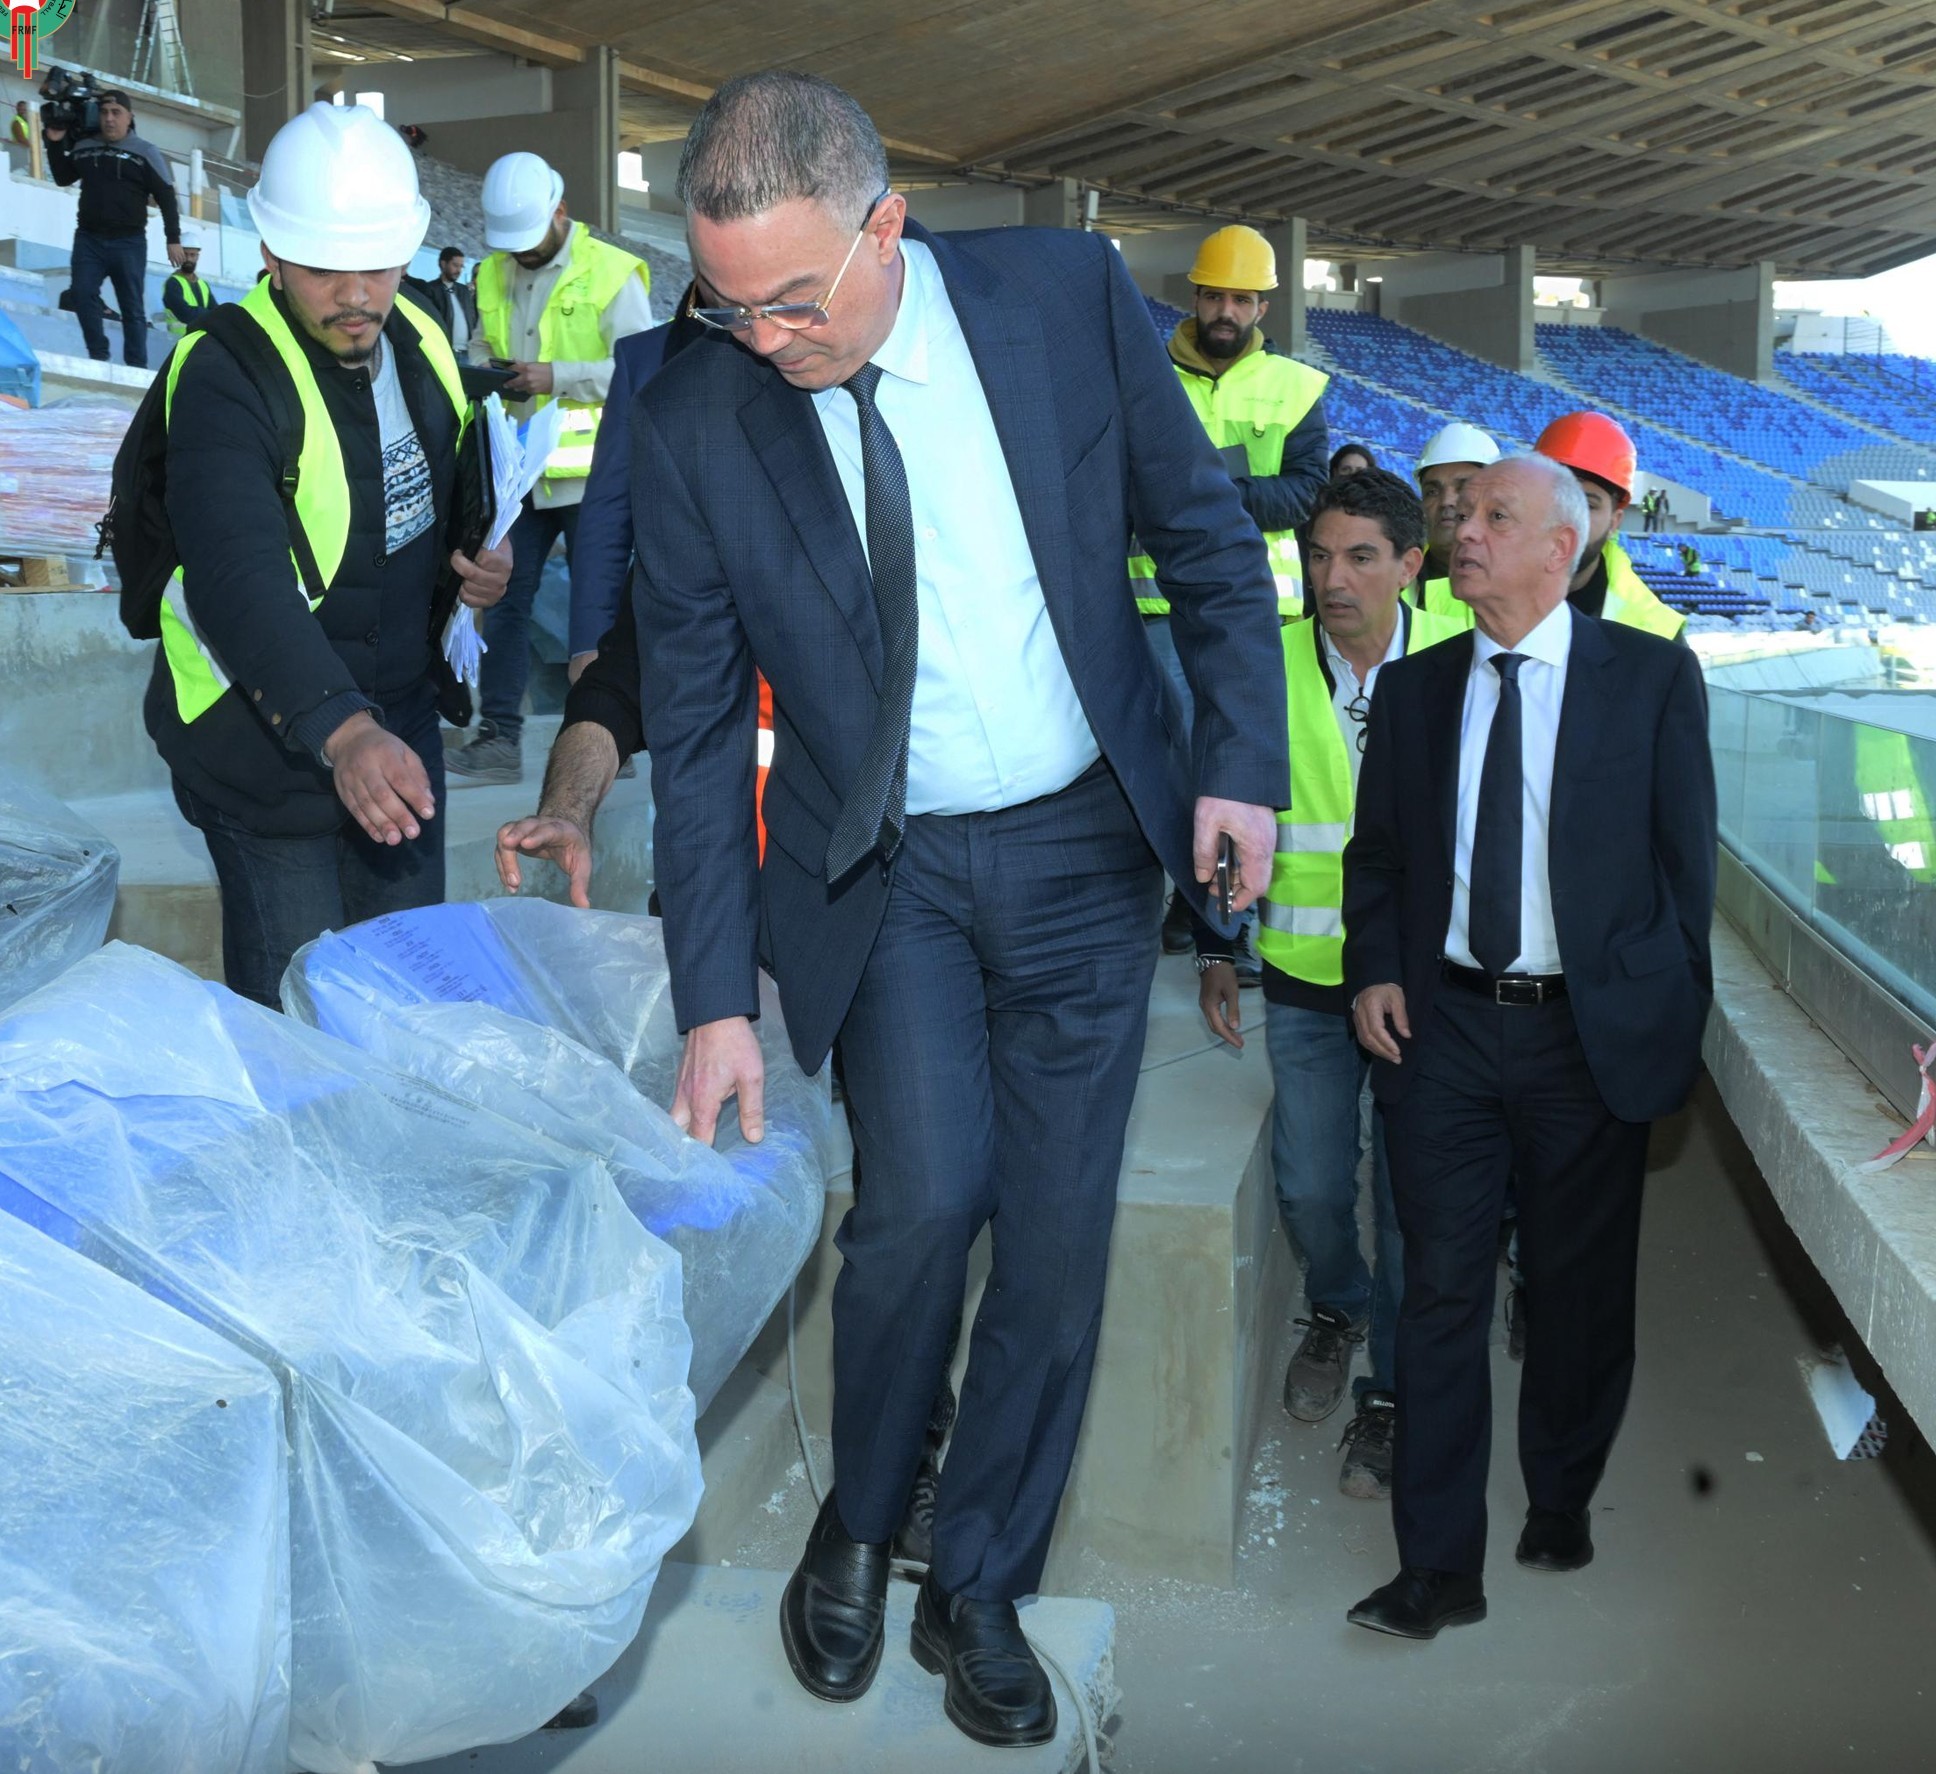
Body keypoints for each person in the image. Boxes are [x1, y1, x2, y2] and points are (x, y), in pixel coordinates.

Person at [495, 69, 1286, 1748]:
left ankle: (982, 1577)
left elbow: (1211, 540)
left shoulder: (1065, 303)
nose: (766, 337)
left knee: (1058, 1242)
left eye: (794, 298)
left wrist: (1243, 761)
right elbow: (698, 731)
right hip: (885, 864)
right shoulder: (702, 410)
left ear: (887, 226)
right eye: (730, 305)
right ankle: (862, 1512)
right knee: (923, 1204)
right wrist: (717, 998)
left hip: (1086, 845)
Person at [1342, 453, 1715, 1639]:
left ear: (1567, 547)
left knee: (1575, 1291)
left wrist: (1662, 1016)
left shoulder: (1650, 680)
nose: (1464, 529)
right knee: (1439, 1295)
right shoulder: (1413, 692)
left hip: (1582, 1042)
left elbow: (1682, 871)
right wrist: (1374, 970)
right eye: (1461, 512)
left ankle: (1561, 1492)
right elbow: (1379, 863)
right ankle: (1436, 1567)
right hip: (1442, 1032)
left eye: (1495, 516)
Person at [147, 103, 510, 1009]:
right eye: (323, 270)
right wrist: (342, 730)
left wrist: (476, 572)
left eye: (378, 267)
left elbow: (442, 494)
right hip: (267, 747)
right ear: (268, 254)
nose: (356, 297)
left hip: (398, 724)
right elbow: (239, 578)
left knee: (404, 1004)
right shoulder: (224, 375)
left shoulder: (421, 336)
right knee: (301, 1021)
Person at [1195, 469, 1464, 1501]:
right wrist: (1218, 939)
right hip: (1306, 981)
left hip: (1423, 987)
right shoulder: (1266, 663)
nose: (1331, 578)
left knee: (1408, 1200)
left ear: (1411, 564)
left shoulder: (1456, 656)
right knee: (1311, 1183)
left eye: (1358, 557)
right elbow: (1226, 805)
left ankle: (1390, 1393)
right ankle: (1336, 1304)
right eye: (1316, 555)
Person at [1139, 223, 1328, 966]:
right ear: (1196, 294)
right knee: (1171, 773)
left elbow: (1308, 489)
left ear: (1262, 308)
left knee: (1238, 772)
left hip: (1260, 617)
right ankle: (1193, 909)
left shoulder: (1297, 388)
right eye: (1215, 294)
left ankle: (1235, 927)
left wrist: (1211, 497)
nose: (1226, 310)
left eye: (1241, 299)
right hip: (1155, 613)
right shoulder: (1148, 376)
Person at [443, 152, 652, 786]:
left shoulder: (612, 274)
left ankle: (605, 739)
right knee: (506, 602)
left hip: (594, 480)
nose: (522, 254)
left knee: (600, 614)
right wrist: (488, 369)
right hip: (521, 474)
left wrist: (556, 378)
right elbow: (479, 343)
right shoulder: (492, 274)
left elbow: (640, 371)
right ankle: (499, 736)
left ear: (559, 211)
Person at [41, 87, 183, 370]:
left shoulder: (145, 151)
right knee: (81, 294)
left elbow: (166, 194)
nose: (109, 119)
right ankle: (98, 355)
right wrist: (54, 143)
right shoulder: (85, 145)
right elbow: (62, 177)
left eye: (116, 113)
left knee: (132, 307)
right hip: (89, 239)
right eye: (104, 112)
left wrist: (173, 238)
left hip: (128, 242)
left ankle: (136, 366)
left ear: (129, 117)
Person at [1535, 412, 1686, 641]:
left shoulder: (1656, 632)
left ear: (1614, 522)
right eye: (1555, 497)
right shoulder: (1471, 586)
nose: (1567, 517)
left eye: (1588, 504)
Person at [1408, 421, 1497, 631]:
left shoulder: (1525, 588)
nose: (1447, 501)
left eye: (1463, 487)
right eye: (1432, 491)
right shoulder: (1391, 582)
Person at [406, 245, 477, 352]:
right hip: (444, 350)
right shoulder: (431, 289)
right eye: (455, 265)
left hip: (468, 350)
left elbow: (472, 318)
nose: (459, 270)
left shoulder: (464, 291)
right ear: (443, 264)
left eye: (461, 266)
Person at [160, 233, 213, 338]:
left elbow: (217, 312)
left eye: (192, 255)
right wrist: (208, 313)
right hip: (178, 341)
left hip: (199, 342)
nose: (188, 259)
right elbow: (186, 314)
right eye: (185, 254)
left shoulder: (203, 285)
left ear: (197, 256)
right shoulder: (172, 283)